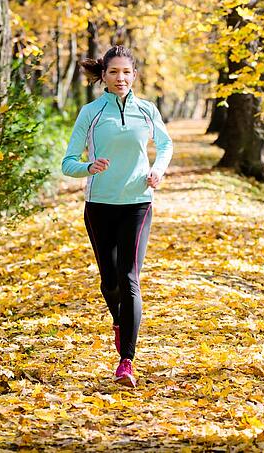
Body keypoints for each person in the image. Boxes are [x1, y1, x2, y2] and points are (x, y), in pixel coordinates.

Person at [61, 46, 173, 387]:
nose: (120, 78)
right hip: (99, 205)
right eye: (113, 73)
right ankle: (120, 321)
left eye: (126, 72)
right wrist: (88, 167)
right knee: (108, 282)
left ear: (134, 75)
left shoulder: (147, 110)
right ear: (104, 77)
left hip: (138, 203)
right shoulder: (91, 113)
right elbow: (68, 163)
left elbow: (166, 146)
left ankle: (126, 361)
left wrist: (158, 170)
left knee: (129, 279)